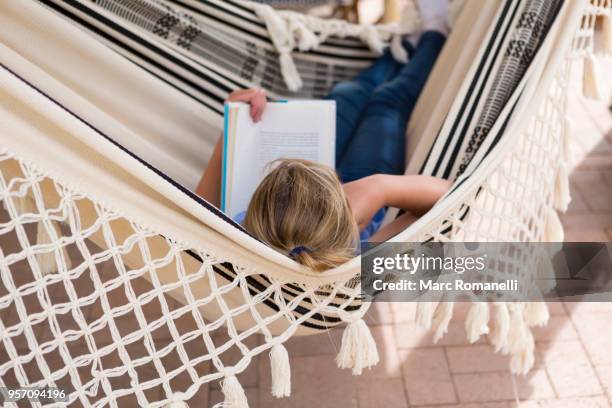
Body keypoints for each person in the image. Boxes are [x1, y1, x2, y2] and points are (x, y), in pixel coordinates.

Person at [196, 0, 452, 271]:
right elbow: (450, 197)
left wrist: (234, 124)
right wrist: (379, 188)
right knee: (387, 101)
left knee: (347, 93)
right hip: (364, 187)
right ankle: (436, 31)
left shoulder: (240, 237)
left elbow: (195, 212)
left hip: (314, 209)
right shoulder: (355, 266)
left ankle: (403, 42)